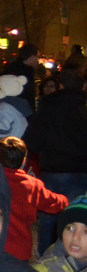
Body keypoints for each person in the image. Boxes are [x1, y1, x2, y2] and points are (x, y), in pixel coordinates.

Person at [24, 69, 87, 252]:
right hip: (82, 170)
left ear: (60, 85)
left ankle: (46, 259)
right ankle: (71, 258)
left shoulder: (48, 106)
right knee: (76, 218)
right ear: (82, 86)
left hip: (54, 168)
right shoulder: (83, 107)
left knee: (49, 216)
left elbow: (33, 140)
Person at [0, 135, 67, 261]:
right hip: (19, 249)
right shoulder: (32, 185)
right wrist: (65, 200)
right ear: (23, 160)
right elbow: (52, 203)